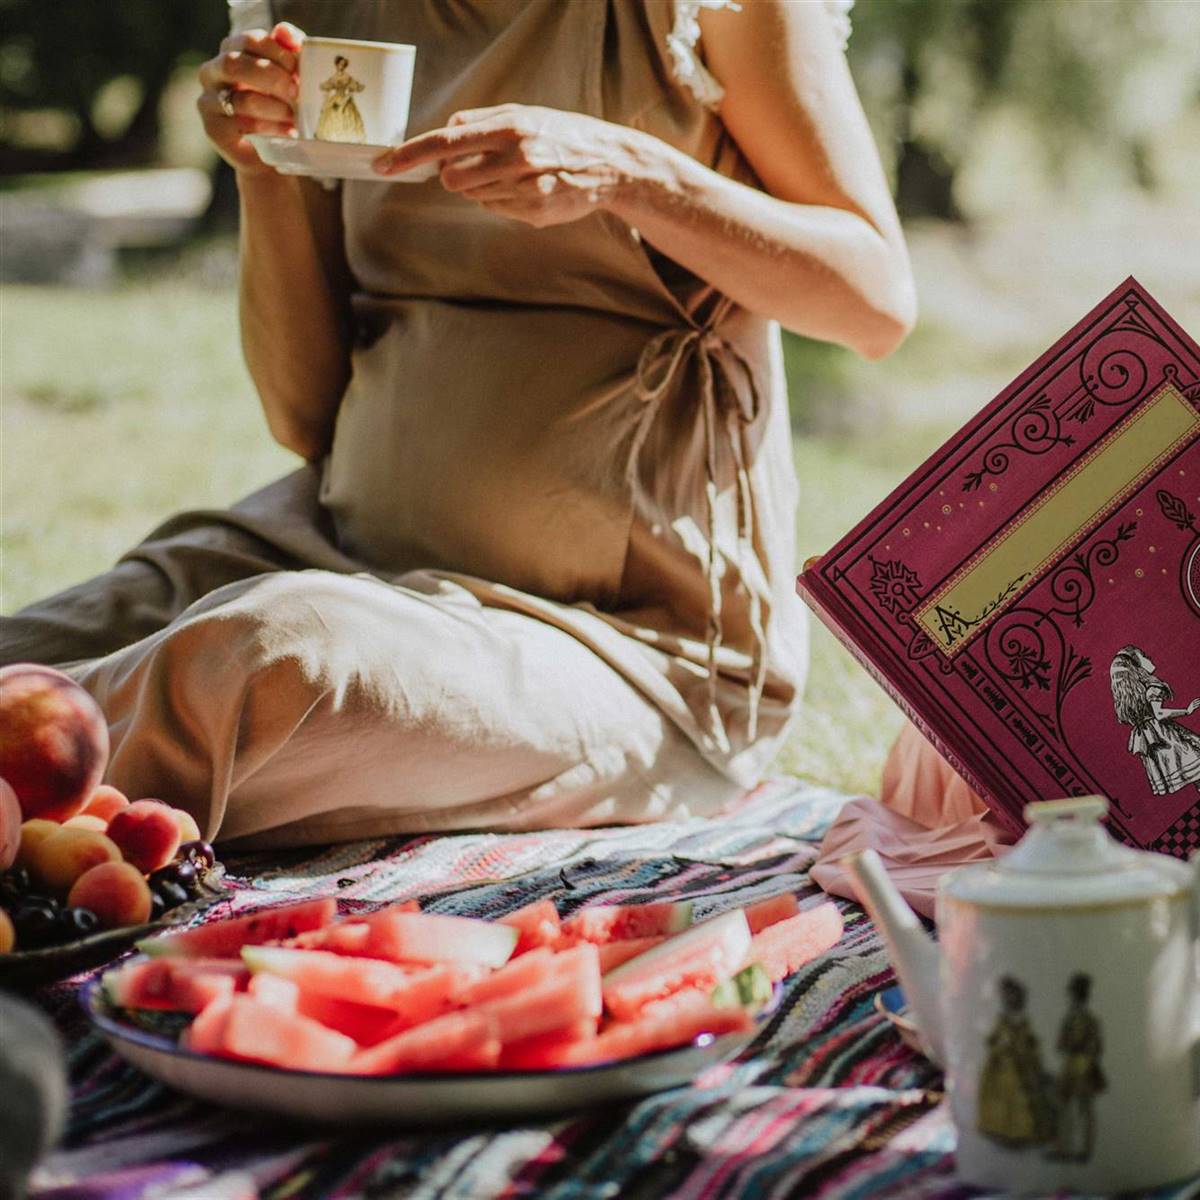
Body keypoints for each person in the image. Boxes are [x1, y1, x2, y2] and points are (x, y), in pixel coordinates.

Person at [0, 0, 914, 848]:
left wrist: (631, 173)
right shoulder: (328, 14)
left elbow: (873, 302)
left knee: (266, 656)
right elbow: (304, 414)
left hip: (632, 652)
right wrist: (263, 170)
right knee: (36, 650)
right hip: (338, 546)